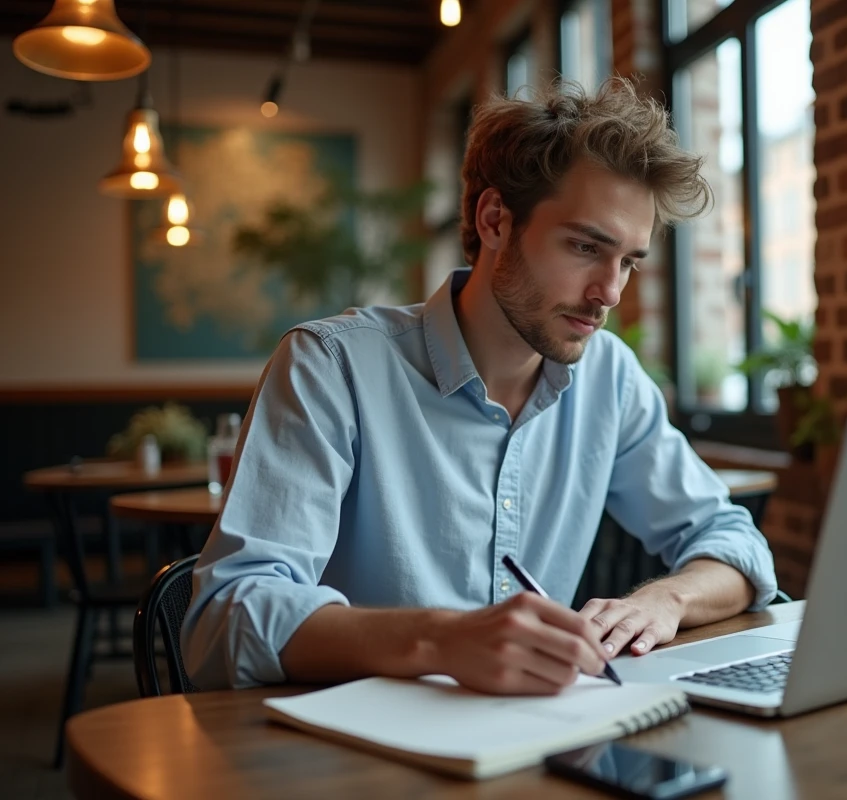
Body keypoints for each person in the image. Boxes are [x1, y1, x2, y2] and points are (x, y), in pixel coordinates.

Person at [181, 77, 778, 693]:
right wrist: (441, 639)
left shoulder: (611, 378)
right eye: (584, 246)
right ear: (495, 220)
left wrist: (665, 602)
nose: (610, 293)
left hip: (535, 742)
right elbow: (227, 620)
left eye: (628, 260)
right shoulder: (331, 366)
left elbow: (734, 543)